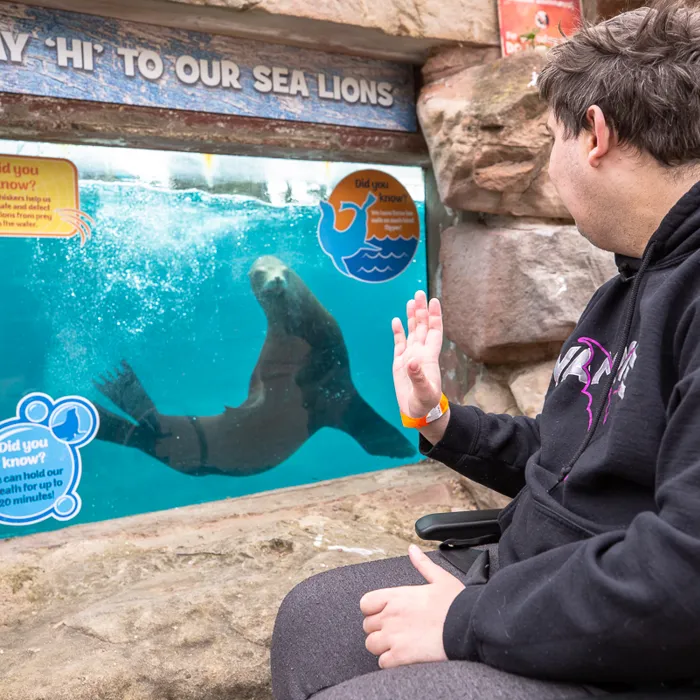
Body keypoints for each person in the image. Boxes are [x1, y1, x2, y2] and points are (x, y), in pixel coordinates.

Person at [270, 2, 700, 698]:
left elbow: (685, 579)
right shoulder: (627, 285)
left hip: (634, 643)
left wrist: (466, 619)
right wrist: (440, 417)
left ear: (594, 134)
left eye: (551, 138)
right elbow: (574, 463)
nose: (550, 164)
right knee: (314, 619)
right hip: (533, 579)